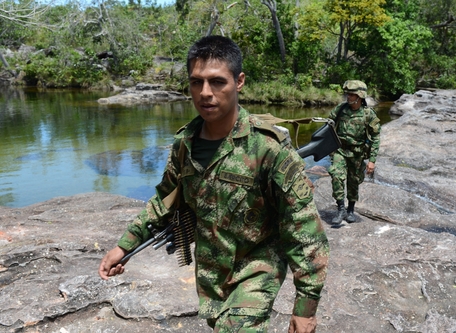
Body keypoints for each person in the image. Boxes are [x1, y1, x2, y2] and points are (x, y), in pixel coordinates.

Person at [98, 35, 329, 333]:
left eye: (217, 82)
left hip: (258, 265)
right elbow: (165, 200)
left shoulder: (267, 148)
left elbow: (305, 229)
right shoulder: (185, 144)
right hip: (212, 273)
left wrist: (306, 308)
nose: (205, 93)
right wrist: (124, 246)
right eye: (196, 82)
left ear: (239, 81)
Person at [328, 80, 381, 225]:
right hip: (340, 150)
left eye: (351, 94)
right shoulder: (341, 109)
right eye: (348, 94)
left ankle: (350, 210)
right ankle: (340, 209)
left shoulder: (368, 114)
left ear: (360, 96)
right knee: (336, 175)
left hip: (357, 153)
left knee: (353, 181)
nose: (348, 97)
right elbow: (328, 126)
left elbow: (376, 137)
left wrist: (372, 160)